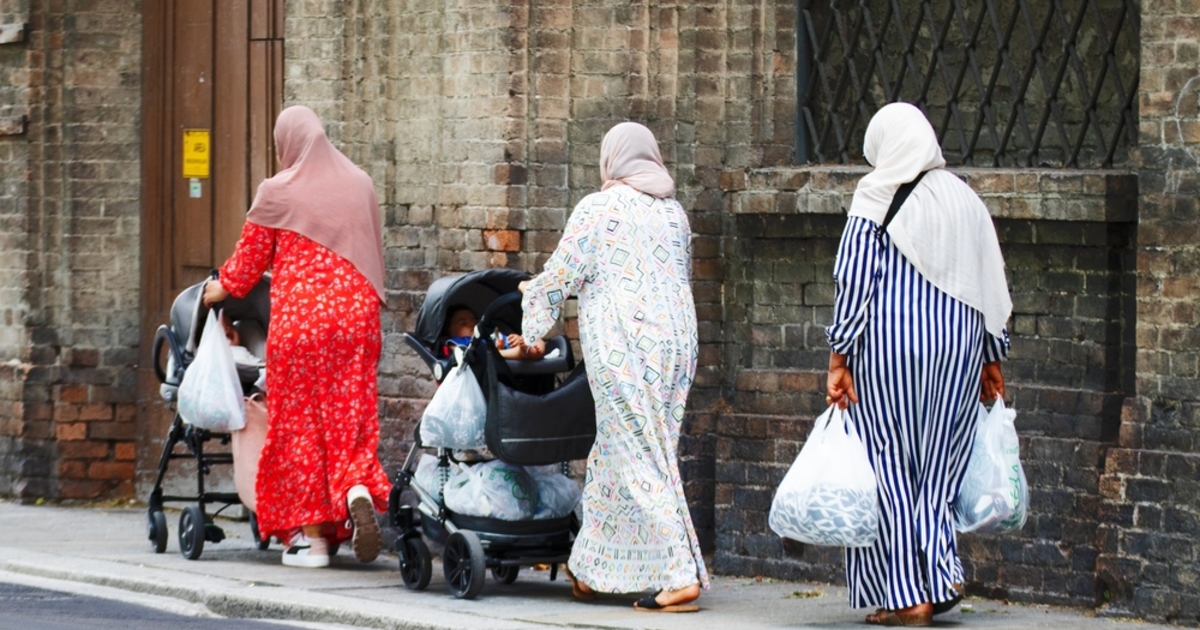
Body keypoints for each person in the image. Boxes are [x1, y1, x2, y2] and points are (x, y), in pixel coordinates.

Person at [825, 103, 1012, 626]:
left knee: (888, 465)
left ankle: (909, 593)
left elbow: (856, 282)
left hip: (889, 352)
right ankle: (939, 575)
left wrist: (840, 356)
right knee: (937, 470)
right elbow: (991, 282)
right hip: (959, 351)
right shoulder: (965, 199)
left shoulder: (876, 194)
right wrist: (993, 357)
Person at [519, 122, 709, 613]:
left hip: (623, 345)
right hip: (675, 346)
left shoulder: (598, 210)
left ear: (611, 159)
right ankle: (592, 569)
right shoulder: (674, 214)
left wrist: (532, 322)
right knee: (620, 450)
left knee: (638, 455)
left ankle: (679, 574)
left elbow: (559, 276)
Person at [203, 105, 391, 569]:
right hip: (356, 319)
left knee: (303, 430)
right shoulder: (361, 184)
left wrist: (215, 291)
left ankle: (313, 542)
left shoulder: (277, 191)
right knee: (349, 419)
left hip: (303, 325)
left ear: (286, 143)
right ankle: (357, 487)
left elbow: (244, 271)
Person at [440, 304, 546, 360]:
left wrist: (517, 340)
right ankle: (525, 352)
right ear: (448, 332)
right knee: (519, 352)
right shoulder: (456, 342)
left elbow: (505, 341)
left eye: (474, 321)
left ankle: (529, 348)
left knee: (536, 339)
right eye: (463, 323)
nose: (471, 324)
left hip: (503, 350)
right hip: (489, 357)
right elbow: (458, 353)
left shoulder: (489, 334)